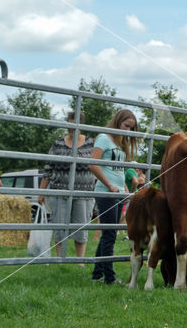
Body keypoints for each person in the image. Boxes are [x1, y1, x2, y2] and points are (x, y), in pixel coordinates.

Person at [38, 111, 96, 265]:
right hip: (60, 191)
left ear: (81, 125)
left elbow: (98, 166)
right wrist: (41, 191)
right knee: (59, 226)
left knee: (81, 226)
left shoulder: (92, 143)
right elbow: (48, 168)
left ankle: (80, 261)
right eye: (69, 125)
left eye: (74, 125)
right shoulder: (57, 144)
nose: (72, 129)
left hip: (84, 192)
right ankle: (60, 260)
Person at [88, 109, 138, 284]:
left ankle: (97, 274)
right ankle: (109, 277)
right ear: (118, 122)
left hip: (118, 192)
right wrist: (109, 186)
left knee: (109, 233)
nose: (128, 131)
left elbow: (119, 170)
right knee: (109, 234)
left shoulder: (121, 143)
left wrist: (124, 189)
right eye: (126, 126)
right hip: (106, 192)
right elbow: (93, 164)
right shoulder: (104, 138)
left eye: (131, 128)